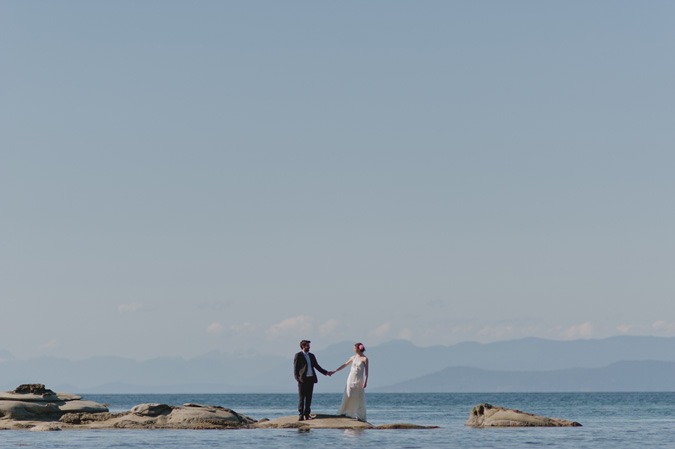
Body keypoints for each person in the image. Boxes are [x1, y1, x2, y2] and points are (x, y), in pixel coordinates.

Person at [331, 342, 368, 422]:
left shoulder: (365, 359)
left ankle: (357, 414)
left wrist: (365, 382)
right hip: (351, 379)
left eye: (355, 348)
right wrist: (336, 370)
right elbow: (345, 365)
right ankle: (345, 411)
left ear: (358, 349)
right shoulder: (353, 357)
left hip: (359, 380)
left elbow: (366, 373)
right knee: (348, 394)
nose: (354, 349)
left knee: (358, 397)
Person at [293, 340, 330, 421]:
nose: (309, 347)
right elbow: (295, 368)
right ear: (303, 346)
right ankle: (301, 415)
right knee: (302, 398)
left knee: (309, 398)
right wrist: (297, 378)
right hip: (302, 379)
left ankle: (307, 414)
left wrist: (326, 372)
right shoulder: (298, 355)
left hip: (311, 379)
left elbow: (317, 366)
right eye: (307, 346)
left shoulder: (312, 355)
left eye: (309, 346)